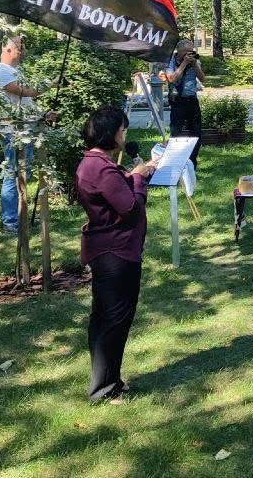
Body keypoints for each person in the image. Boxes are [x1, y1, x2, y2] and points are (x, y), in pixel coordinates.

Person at [77, 105, 159, 403]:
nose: (125, 136)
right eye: (123, 130)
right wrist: (137, 179)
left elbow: (116, 193)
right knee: (113, 318)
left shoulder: (95, 163)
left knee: (106, 317)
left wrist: (137, 174)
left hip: (109, 248)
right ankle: (104, 388)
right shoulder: (101, 168)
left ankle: (110, 380)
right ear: (110, 133)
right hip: (116, 251)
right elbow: (130, 208)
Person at [0, 35, 40, 234]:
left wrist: (42, 115)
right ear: (8, 49)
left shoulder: (15, 71)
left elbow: (27, 103)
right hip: (13, 132)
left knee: (22, 175)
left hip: (24, 130)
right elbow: (23, 91)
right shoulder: (1, 71)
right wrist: (47, 85)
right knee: (12, 175)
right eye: (20, 47)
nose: (23, 50)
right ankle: (10, 222)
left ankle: (19, 216)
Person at [163, 39, 207, 163]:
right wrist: (184, 63)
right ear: (180, 52)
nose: (190, 54)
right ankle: (175, 161)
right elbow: (172, 79)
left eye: (191, 51)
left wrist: (195, 65)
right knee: (176, 132)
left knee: (196, 132)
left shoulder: (194, 60)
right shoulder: (171, 61)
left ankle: (192, 162)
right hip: (178, 101)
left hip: (192, 99)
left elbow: (203, 79)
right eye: (187, 52)